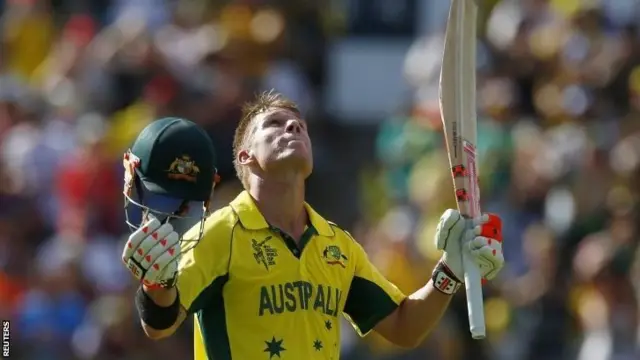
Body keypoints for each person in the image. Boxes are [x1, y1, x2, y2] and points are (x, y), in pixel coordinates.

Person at [121, 92, 505, 359]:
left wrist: (449, 271)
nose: (293, 129)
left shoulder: (336, 244)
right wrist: (156, 286)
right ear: (245, 156)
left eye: (299, 126)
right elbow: (160, 323)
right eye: (275, 124)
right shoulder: (220, 232)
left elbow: (403, 328)